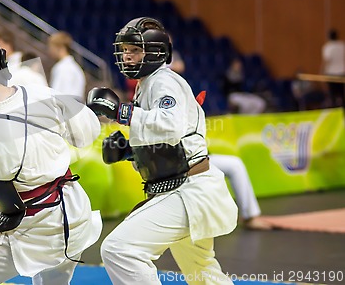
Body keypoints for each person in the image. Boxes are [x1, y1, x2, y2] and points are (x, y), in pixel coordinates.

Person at [0, 34, 102, 284]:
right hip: (76, 216)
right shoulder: (40, 92)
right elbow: (89, 132)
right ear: (2, 63)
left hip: (34, 229)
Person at [86, 17, 238, 284]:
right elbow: (170, 141)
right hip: (182, 188)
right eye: (124, 50)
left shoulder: (164, 82)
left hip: (189, 191)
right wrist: (130, 152)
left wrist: (121, 112)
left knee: (120, 250)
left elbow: (170, 125)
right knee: (202, 272)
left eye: (135, 50)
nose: (127, 56)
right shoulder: (148, 83)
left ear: (157, 52)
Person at [169, 55, 272, 230]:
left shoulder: (185, 107)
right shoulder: (164, 106)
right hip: (180, 163)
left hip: (199, 157)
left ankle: (250, 216)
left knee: (235, 164)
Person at [48, 31, 86, 100]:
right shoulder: (77, 69)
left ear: (59, 47)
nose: (50, 51)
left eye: (51, 47)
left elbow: (56, 96)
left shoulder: (62, 68)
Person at [322, 29, 345, 107]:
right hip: (342, 73)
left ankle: (335, 110)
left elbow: (326, 60)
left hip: (331, 74)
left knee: (333, 95)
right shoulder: (342, 45)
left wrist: (322, 70)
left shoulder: (328, 47)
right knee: (342, 94)